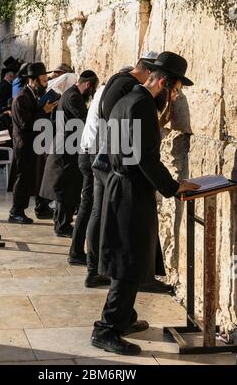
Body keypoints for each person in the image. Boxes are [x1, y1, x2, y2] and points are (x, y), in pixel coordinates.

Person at [91, 51, 200, 356]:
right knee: (127, 261)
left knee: (132, 255)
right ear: (164, 83)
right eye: (176, 90)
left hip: (120, 185)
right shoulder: (140, 106)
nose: (175, 97)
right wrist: (174, 186)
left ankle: (124, 318)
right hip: (129, 190)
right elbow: (145, 158)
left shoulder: (126, 99)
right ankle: (107, 328)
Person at [40, 70, 99, 237]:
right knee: (65, 188)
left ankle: (61, 223)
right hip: (66, 149)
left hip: (66, 147)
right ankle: (62, 225)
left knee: (65, 188)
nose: (92, 93)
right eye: (92, 89)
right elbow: (85, 119)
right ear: (87, 84)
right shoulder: (73, 97)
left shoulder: (69, 94)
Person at [8, 62, 57, 224]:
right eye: (43, 81)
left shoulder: (32, 95)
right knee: (23, 178)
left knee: (35, 176)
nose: (46, 84)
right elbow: (26, 124)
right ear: (34, 81)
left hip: (34, 144)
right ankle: (16, 211)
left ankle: (41, 207)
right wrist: (44, 111)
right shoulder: (22, 98)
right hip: (25, 145)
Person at [67, 83, 106, 266]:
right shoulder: (109, 95)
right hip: (91, 154)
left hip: (86, 151)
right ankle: (80, 254)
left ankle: (76, 252)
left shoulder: (100, 93)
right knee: (91, 206)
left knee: (87, 205)